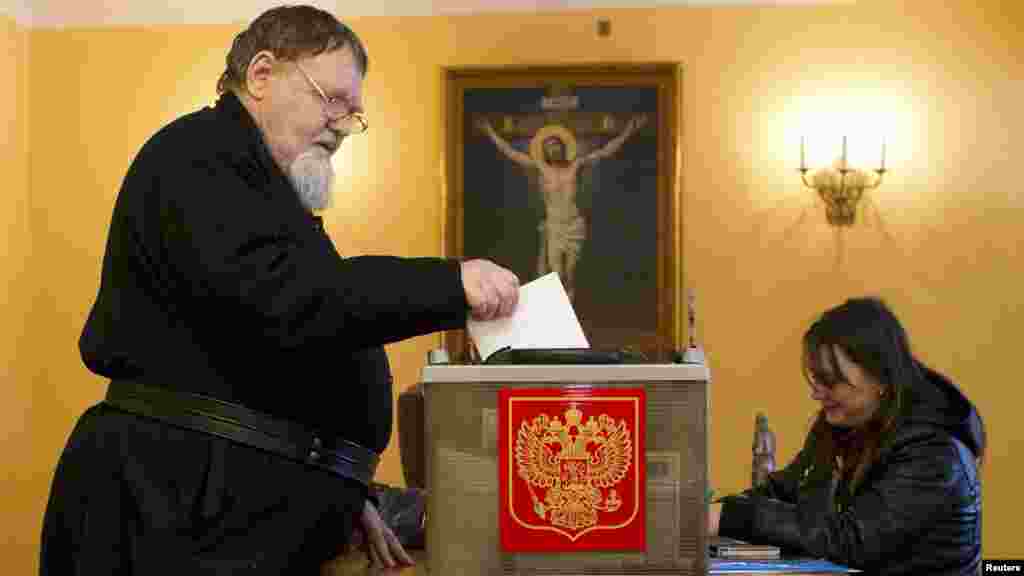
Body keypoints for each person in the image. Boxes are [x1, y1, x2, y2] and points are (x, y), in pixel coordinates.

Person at [40, 6, 519, 575]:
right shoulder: (197, 156)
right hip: (176, 504)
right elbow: (292, 304)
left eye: (354, 112)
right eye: (332, 99)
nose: (343, 123)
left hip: (219, 504)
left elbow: (265, 371)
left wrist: (339, 486)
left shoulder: (262, 186)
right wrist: (448, 283)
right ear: (261, 75)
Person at [708, 297, 985, 576]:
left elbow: (852, 540)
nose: (817, 393)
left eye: (830, 381)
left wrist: (732, 518)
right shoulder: (845, 422)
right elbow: (790, 488)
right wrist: (713, 510)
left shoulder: (935, 454)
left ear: (879, 377)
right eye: (816, 380)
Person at [477, 115, 646, 302]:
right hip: (555, 225)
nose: (554, 150)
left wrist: (628, 131)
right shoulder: (541, 168)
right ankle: (561, 310)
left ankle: (570, 305)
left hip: (574, 224)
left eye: (557, 146)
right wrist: (491, 133)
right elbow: (511, 153)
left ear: (563, 148)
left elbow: (605, 152)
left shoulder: (575, 165)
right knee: (557, 272)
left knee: (571, 273)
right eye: (550, 147)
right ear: (544, 151)